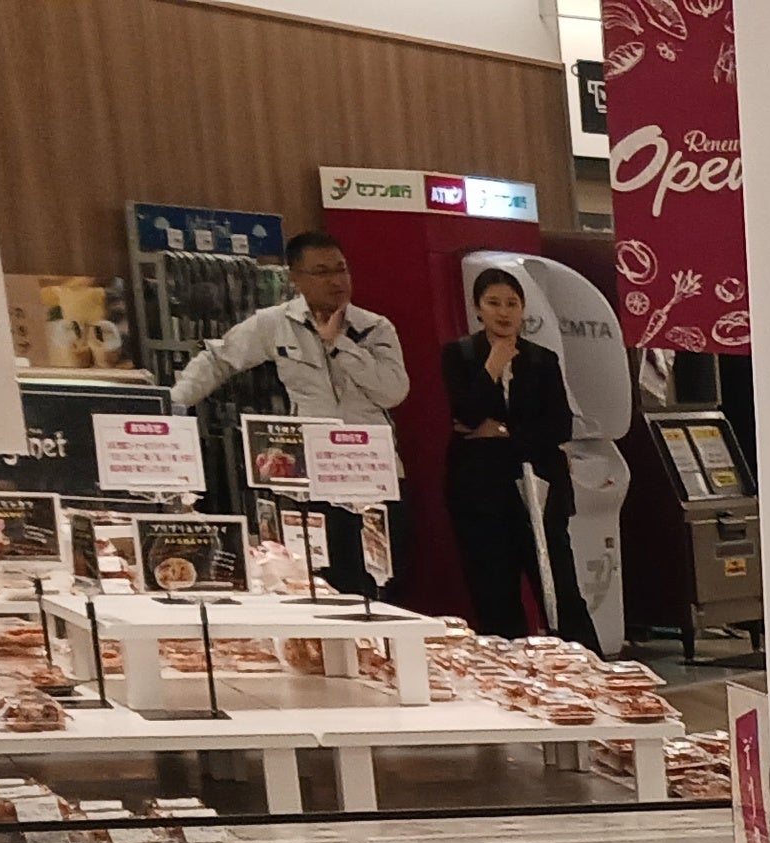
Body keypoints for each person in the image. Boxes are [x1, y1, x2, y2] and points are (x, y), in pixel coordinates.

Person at [171, 231, 409, 599]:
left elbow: (393, 392)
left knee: (383, 581)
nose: (336, 280)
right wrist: (171, 407)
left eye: (342, 269)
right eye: (322, 272)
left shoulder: (374, 327)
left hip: (374, 473)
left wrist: (339, 345)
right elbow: (219, 359)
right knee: (326, 581)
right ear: (295, 278)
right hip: (313, 475)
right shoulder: (275, 323)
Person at [440, 268, 590, 643]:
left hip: (539, 488)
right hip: (480, 492)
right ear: (478, 308)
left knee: (561, 591)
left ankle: (584, 665)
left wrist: (503, 431)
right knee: (494, 594)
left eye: (512, 303)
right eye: (493, 303)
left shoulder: (542, 359)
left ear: (523, 309)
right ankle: (510, 671)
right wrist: (493, 365)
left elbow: (559, 426)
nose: (503, 312)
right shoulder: (459, 354)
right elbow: (466, 415)